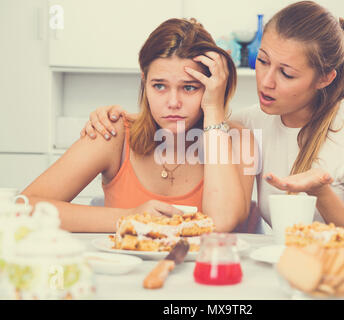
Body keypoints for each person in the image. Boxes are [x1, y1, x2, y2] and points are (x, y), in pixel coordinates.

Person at [82, 1, 344, 256]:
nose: (266, 81)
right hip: (301, 271)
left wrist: (323, 197)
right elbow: (180, 116)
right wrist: (119, 116)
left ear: (325, 77)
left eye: (286, 73)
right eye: (262, 60)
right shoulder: (251, 123)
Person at [22, 18, 257, 233]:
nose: (173, 103)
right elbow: (24, 209)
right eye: (159, 86)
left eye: (189, 87)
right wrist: (129, 218)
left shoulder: (239, 141)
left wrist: (214, 112)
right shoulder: (113, 132)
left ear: (211, 88)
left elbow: (222, 222)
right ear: (144, 83)